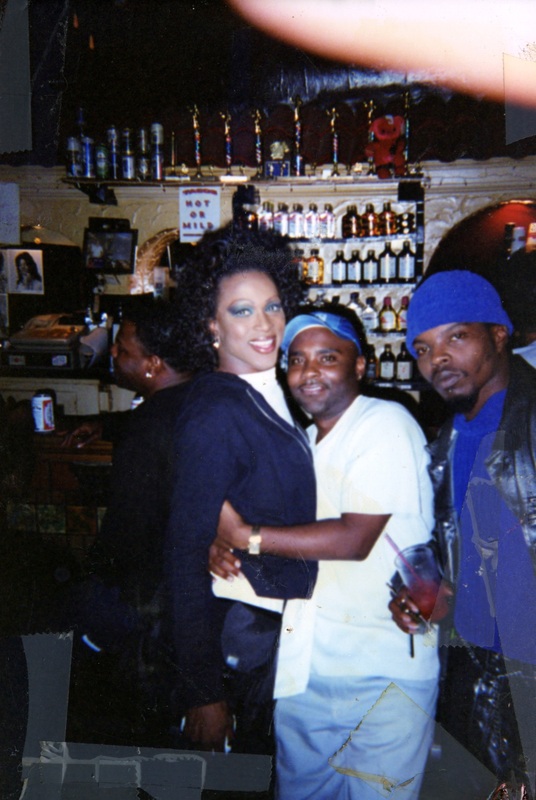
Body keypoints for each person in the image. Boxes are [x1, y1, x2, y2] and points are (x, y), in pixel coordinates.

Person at [211, 306, 440, 800]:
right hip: (308, 665)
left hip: (381, 674)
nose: (308, 372)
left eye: (327, 357)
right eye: (296, 360)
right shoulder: (303, 443)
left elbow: (353, 539)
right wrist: (223, 549)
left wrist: (246, 536)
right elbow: (287, 537)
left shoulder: (385, 423)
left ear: (360, 365)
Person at [164, 224, 318, 756]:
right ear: (211, 325)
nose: (265, 324)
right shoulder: (217, 408)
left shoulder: (275, 389)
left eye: (273, 306)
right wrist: (202, 692)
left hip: (284, 624)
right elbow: (183, 553)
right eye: (242, 310)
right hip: (247, 637)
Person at [390, 270, 536, 798]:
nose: (439, 361)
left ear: (498, 334)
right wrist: (417, 589)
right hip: (470, 677)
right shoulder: (447, 439)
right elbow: (448, 543)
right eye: (424, 348)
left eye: (457, 337)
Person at [65, 300, 196, 747]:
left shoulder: (147, 433)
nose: (115, 356)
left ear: (152, 364)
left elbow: (128, 531)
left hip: (144, 600)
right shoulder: (200, 399)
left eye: (122, 349)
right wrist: (104, 424)